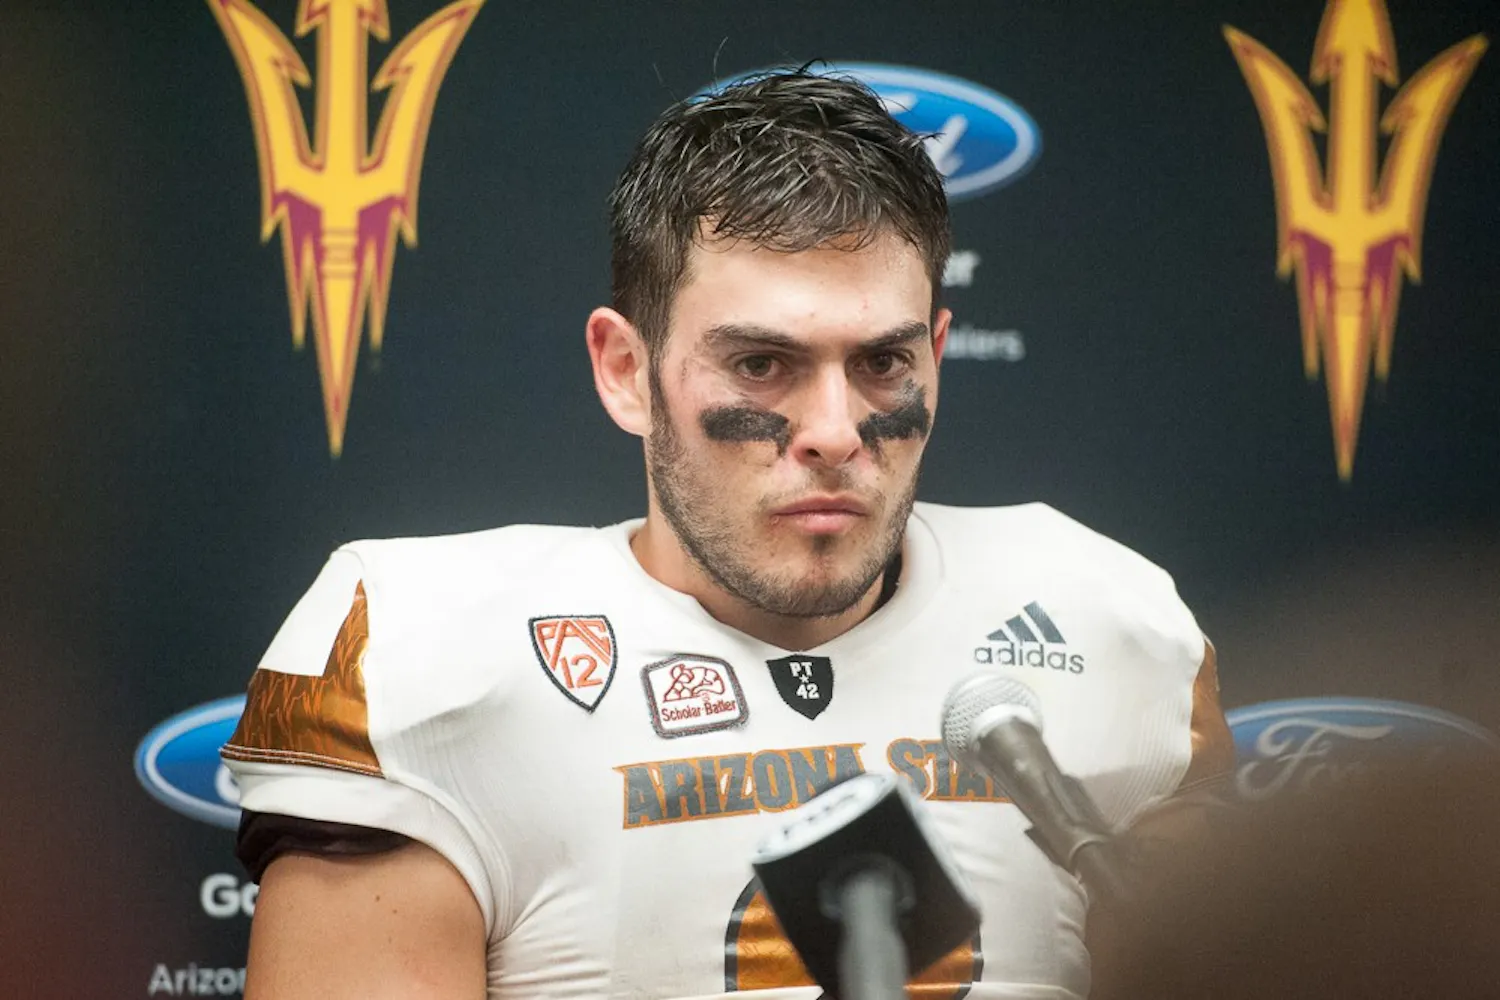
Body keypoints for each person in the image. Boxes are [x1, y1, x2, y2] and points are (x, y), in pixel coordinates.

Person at [222, 69, 1233, 999]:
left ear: (937, 351)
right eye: (760, 364)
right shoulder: (420, 656)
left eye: (883, 363)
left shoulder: (1110, 625)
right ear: (626, 370)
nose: (836, 432)